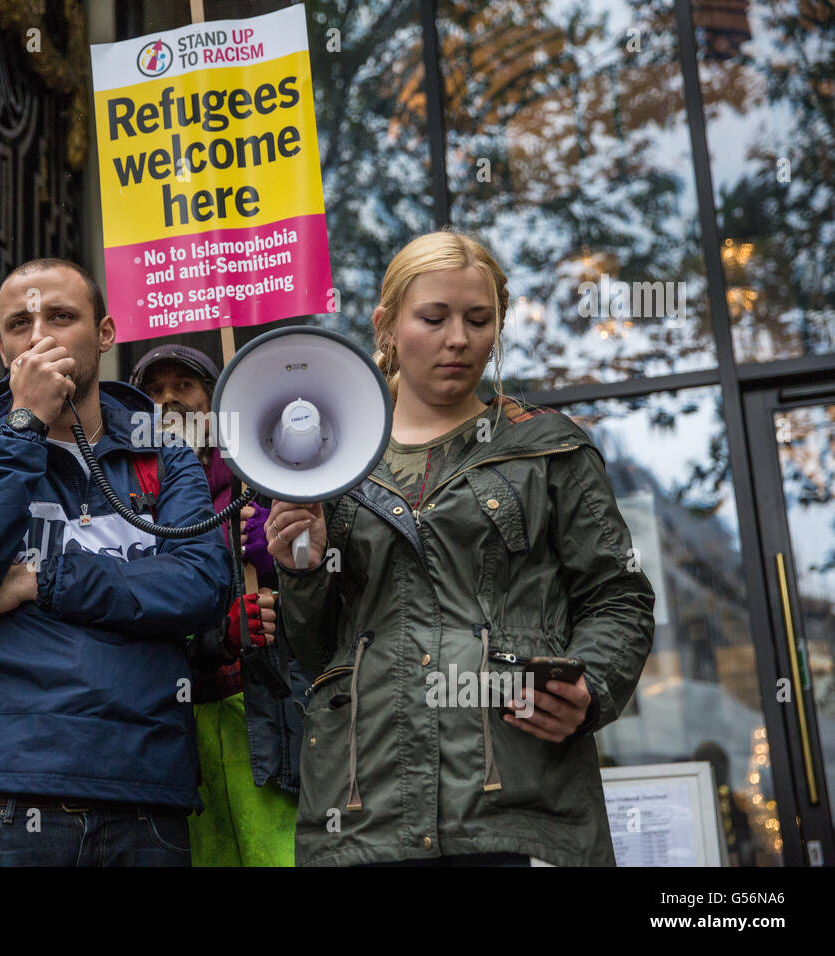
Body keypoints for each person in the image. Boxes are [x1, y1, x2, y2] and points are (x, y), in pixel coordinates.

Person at [268, 229, 655, 866]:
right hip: (366, 815)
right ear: (386, 325)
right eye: (434, 318)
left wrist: (592, 688)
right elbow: (316, 655)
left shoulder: (548, 447)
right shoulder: (325, 462)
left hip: (518, 805)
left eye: (479, 320)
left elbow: (619, 598)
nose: (459, 339)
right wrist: (301, 570)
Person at [0, 258, 231, 866]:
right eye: (20, 323)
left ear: (104, 333)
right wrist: (23, 424)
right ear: (2, 346)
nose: (41, 336)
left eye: (61, 316)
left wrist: (38, 580)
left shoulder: (166, 455)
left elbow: (202, 586)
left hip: (141, 788)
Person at [130, 344, 309, 867]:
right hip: (176, 724)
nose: (168, 400)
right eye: (154, 391)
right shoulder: (129, 494)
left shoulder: (265, 479)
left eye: (184, 386)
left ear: (215, 403)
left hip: (262, 713)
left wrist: (281, 556)